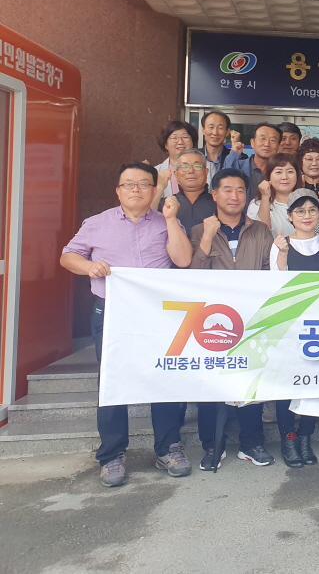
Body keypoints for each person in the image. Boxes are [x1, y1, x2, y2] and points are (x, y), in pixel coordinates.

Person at [60, 163, 193, 487]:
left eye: (143, 184)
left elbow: (183, 260)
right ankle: (112, 455)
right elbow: (67, 256)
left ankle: (168, 448)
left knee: (164, 376)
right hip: (112, 311)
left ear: (154, 190)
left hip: (157, 314)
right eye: (129, 184)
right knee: (113, 381)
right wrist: (89, 267)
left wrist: (171, 220)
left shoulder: (166, 221)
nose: (136, 190)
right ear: (118, 191)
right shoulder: (97, 223)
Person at [189, 168, 277, 470]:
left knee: (250, 381)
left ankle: (252, 444)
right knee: (211, 383)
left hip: (251, 316)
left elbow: (269, 272)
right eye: (227, 190)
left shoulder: (260, 230)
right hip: (212, 319)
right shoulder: (199, 231)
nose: (234, 196)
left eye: (240, 190)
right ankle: (212, 445)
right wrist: (208, 236)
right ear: (214, 194)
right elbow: (192, 275)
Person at [270, 189, 319, 468]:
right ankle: (288, 439)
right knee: (287, 384)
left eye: (312, 210)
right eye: (299, 211)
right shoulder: (280, 244)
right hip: (291, 327)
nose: (306, 216)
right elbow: (276, 287)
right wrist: (283, 255)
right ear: (289, 216)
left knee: (316, 383)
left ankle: (306, 438)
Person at [157, 148, 215, 234]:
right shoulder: (165, 205)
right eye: (184, 167)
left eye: (197, 166)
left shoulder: (219, 204)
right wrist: (160, 187)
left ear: (206, 172)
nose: (191, 171)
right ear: (176, 174)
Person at [248, 153, 300, 238]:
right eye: (278, 172)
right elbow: (261, 235)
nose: (284, 177)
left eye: (290, 172)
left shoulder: (307, 201)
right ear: (269, 176)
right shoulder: (256, 204)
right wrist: (265, 198)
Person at [152, 120, 198, 202]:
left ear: (192, 142)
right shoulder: (156, 172)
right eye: (174, 138)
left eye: (185, 137)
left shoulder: (208, 166)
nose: (180, 142)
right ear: (165, 144)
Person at [200, 110, 247, 175]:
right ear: (203, 130)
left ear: (227, 132)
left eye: (220, 128)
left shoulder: (240, 158)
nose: (215, 133)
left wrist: (234, 152)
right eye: (211, 127)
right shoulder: (192, 156)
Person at [246, 122, 282, 202]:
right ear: (252, 143)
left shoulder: (283, 172)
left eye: (272, 140)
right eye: (262, 138)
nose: (267, 144)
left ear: (278, 146)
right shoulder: (237, 167)